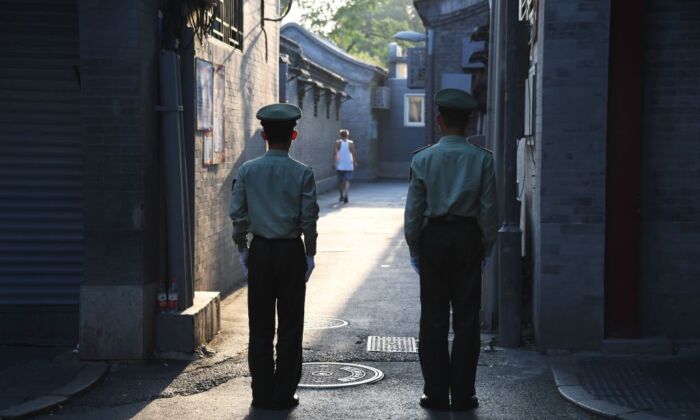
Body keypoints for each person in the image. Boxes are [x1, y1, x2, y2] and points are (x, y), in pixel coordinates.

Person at [404, 88, 497, 412]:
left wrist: (415, 246)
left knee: (433, 319)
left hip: (434, 239)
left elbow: (414, 211)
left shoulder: (423, 158)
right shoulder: (483, 159)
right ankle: (463, 394)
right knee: (467, 319)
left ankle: (435, 393)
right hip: (468, 237)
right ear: (469, 122)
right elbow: (488, 209)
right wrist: (486, 247)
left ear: (439, 120)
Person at [229, 103, 319, 411]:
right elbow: (309, 218)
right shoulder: (303, 173)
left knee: (260, 324)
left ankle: (261, 392)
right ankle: (284, 394)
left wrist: (243, 249)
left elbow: (237, 215)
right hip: (290, 252)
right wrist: (310, 253)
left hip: (261, 251)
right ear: (293, 135)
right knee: (291, 325)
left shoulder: (247, 170)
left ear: (264, 135)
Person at [334, 129, 358, 203]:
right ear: (348, 135)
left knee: (340, 181)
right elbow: (354, 153)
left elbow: (335, 153)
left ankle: (341, 195)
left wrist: (334, 162)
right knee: (347, 180)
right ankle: (346, 194)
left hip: (340, 164)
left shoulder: (338, 143)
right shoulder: (351, 143)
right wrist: (355, 162)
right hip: (349, 164)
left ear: (340, 135)